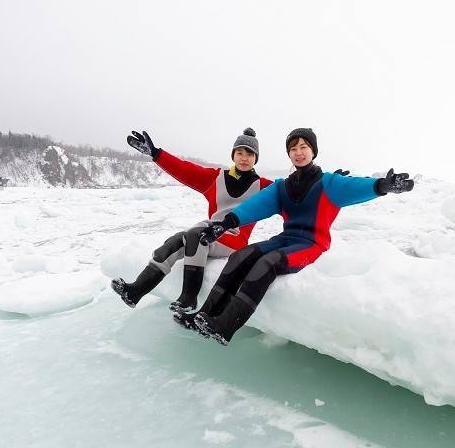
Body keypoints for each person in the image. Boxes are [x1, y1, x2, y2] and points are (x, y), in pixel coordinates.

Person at [173, 127, 414, 345]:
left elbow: (358, 187)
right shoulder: (283, 186)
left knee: (266, 263)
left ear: (313, 151)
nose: (298, 153)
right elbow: (256, 205)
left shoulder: (329, 182)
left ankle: (224, 326)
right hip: (286, 239)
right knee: (241, 256)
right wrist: (226, 224)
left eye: (303, 147)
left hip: (311, 244)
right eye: (293, 149)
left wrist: (384, 186)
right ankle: (204, 315)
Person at [111, 128, 273, 312]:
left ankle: (189, 298)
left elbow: (290, 196)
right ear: (233, 155)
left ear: (256, 158)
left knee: (196, 235)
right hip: (208, 233)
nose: (244, 157)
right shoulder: (216, 177)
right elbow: (184, 169)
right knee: (174, 242)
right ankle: (135, 291)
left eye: (250, 154)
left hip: (234, 240)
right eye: (240, 152)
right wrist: (156, 154)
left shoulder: (265, 187)